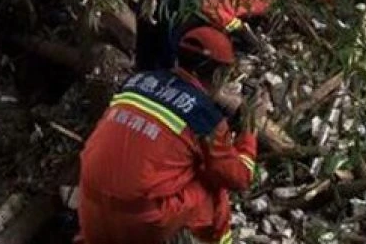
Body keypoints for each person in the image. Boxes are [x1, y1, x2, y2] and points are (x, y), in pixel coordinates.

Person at [77, 27, 263, 244]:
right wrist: (250, 126)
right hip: (139, 222)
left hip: (89, 207)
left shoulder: (137, 82)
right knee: (213, 186)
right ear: (217, 74)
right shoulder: (205, 117)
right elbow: (239, 177)